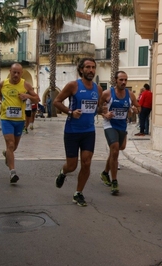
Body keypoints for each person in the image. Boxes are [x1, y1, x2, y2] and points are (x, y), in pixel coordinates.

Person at [53, 57, 103, 207]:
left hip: (89, 131)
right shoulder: (73, 85)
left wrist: (104, 111)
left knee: (87, 163)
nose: (91, 70)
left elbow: (97, 108)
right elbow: (56, 102)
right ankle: (63, 172)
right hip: (72, 131)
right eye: (87, 67)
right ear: (81, 69)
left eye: (93, 67)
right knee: (72, 165)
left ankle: (78, 193)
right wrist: (70, 112)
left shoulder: (98, 89)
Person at [0, 63, 40, 183]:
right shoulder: (3, 83)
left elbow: (37, 98)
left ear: (21, 73)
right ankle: (13, 172)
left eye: (18, 72)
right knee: (10, 144)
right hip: (6, 119)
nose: (16, 75)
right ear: (10, 71)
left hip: (19, 120)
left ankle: (7, 154)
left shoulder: (25, 84)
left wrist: (26, 95)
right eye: (14, 72)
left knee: (14, 147)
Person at [99, 71, 140, 195]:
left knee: (118, 149)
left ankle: (105, 173)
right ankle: (114, 181)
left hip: (122, 125)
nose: (123, 82)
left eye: (125, 80)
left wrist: (134, 109)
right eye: (121, 80)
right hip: (110, 124)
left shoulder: (130, 95)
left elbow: (139, 108)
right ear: (116, 80)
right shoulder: (107, 93)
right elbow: (98, 107)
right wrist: (105, 114)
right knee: (115, 150)